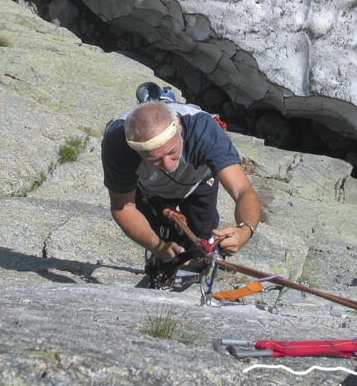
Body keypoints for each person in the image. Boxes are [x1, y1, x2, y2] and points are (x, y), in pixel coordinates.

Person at [101, 89, 260, 274]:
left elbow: (242, 191)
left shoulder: (204, 131)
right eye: (154, 159)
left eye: (171, 152)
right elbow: (123, 208)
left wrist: (245, 230)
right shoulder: (117, 145)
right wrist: (157, 246)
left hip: (198, 181)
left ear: (178, 126)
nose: (167, 165)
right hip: (150, 189)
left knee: (201, 238)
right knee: (160, 238)